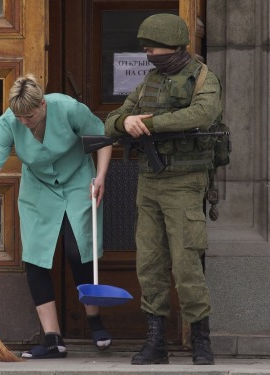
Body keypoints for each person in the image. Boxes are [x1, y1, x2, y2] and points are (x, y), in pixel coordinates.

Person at [0, 74, 113, 359]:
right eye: (19, 117)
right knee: (36, 256)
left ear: (42, 105)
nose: (24, 123)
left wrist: (101, 176)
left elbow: (102, 138)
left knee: (77, 248)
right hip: (38, 188)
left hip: (78, 179)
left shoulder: (68, 108)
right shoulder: (10, 122)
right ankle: (53, 339)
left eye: (29, 116)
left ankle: (94, 318)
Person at [105, 14, 223, 366]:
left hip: (185, 182)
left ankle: (201, 339)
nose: (147, 53)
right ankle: (155, 341)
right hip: (150, 182)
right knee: (150, 263)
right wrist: (125, 121)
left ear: (172, 46)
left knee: (187, 262)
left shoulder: (203, 77)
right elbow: (112, 121)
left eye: (152, 47)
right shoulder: (148, 82)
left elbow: (202, 114)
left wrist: (149, 124)